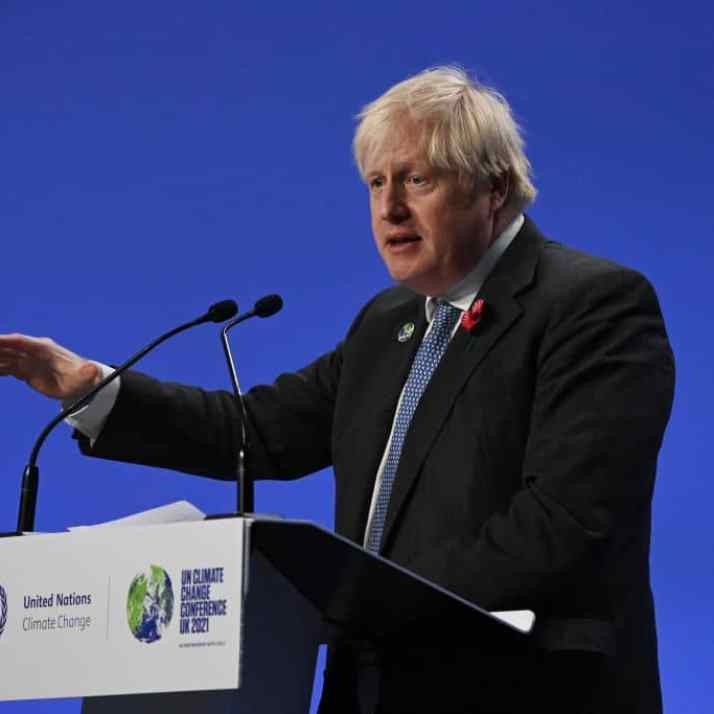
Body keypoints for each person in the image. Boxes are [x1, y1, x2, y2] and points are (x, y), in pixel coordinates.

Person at [0, 66, 674, 713]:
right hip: (375, 692)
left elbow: (567, 522)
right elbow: (259, 432)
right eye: (376, 182)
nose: (390, 208)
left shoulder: (592, 306)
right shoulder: (388, 323)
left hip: (526, 690)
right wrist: (91, 388)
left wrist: (367, 602)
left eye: (417, 179)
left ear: (493, 188)